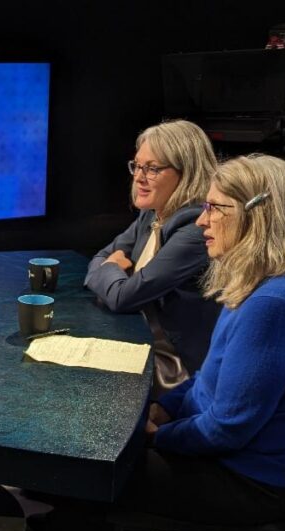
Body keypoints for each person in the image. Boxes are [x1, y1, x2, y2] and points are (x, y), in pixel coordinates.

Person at [52, 154, 285, 531]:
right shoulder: (256, 282)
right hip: (227, 458)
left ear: (256, 217)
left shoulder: (275, 304)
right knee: (83, 467)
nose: (202, 222)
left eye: (215, 209)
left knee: (76, 475)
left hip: (245, 480)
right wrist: (166, 407)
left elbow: (227, 428)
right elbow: (210, 375)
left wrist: (159, 436)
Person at [84, 119, 222, 394]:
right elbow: (97, 260)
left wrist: (111, 269)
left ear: (187, 173)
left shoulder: (196, 228)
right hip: (142, 339)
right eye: (137, 166)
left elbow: (124, 297)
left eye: (153, 169)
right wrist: (111, 269)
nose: (139, 177)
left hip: (176, 367)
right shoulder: (152, 214)